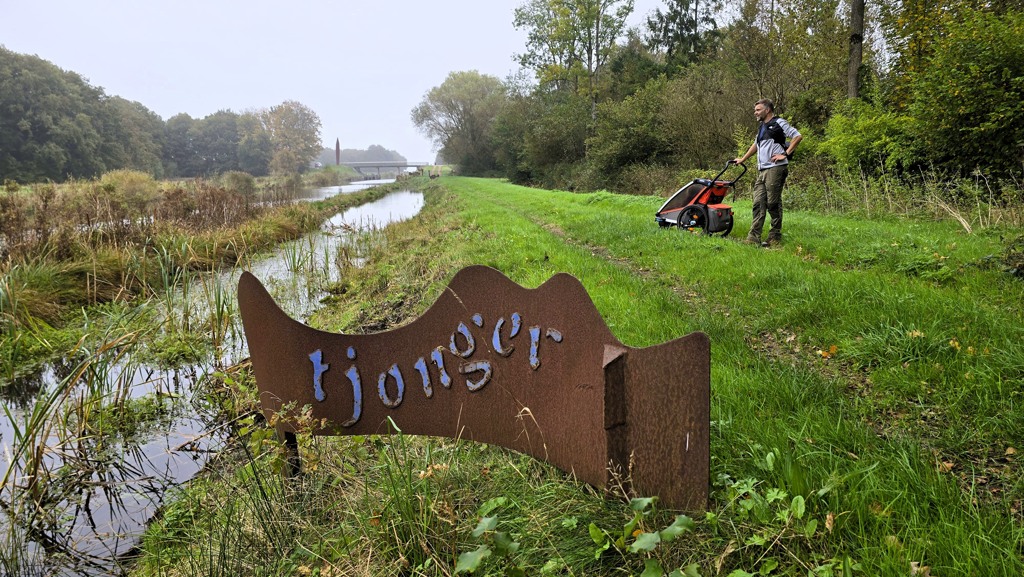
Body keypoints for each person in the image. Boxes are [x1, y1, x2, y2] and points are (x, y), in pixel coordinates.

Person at [733, 99, 802, 247]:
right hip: (762, 170)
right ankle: (753, 238)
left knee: (773, 203)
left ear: (767, 110)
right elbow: (756, 145)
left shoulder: (779, 123)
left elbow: (797, 136)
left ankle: (775, 236)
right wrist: (743, 159)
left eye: (758, 110)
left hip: (776, 168)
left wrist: (786, 153)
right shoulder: (761, 127)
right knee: (758, 203)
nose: (755, 113)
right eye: (755, 110)